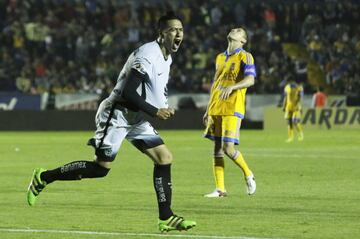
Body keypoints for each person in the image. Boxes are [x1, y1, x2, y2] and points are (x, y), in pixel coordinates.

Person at [27, 12, 196, 232]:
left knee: (164, 158)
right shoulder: (147, 54)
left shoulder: (167, 57)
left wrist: (160, 106)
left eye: (181, 30)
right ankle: (43, 177)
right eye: (173, 29)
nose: (178, 33)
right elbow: (128, 91)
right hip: (117, 114)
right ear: (161, 33)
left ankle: (166, 217)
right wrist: (156, 111)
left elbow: (153, 87)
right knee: (101, 168)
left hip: (136, 117)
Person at [203, 27, 256, 198]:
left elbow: (250, 80)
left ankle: (248, 174)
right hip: (215, 107)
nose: (235, 30)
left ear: (243, 40)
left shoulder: (245, 56)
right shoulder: (219, 57)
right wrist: (208, 108)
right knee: (217, 149)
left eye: (240, 31)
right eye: (234, 29)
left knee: (228, 148)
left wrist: (233, 86)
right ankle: (220, 189)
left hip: (233, 107)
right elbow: (216, 83)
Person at [282, 78, 304, 142]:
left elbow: (300, 98)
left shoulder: (299, 88)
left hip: (296, 107)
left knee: (295, 121)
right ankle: (291, 137)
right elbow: (286, 97)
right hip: (288, 107)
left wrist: (300, 107)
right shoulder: (287, 88)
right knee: (289, 122)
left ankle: (301, 134)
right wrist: (284, 106)